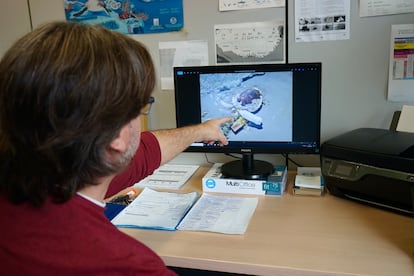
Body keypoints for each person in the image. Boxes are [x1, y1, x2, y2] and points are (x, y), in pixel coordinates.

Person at [0, 21, 229, 275]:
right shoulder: (130, 267)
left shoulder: (49, 172)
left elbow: (145, 152)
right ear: (117, 138)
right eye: (140, 108)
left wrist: (201, 130)